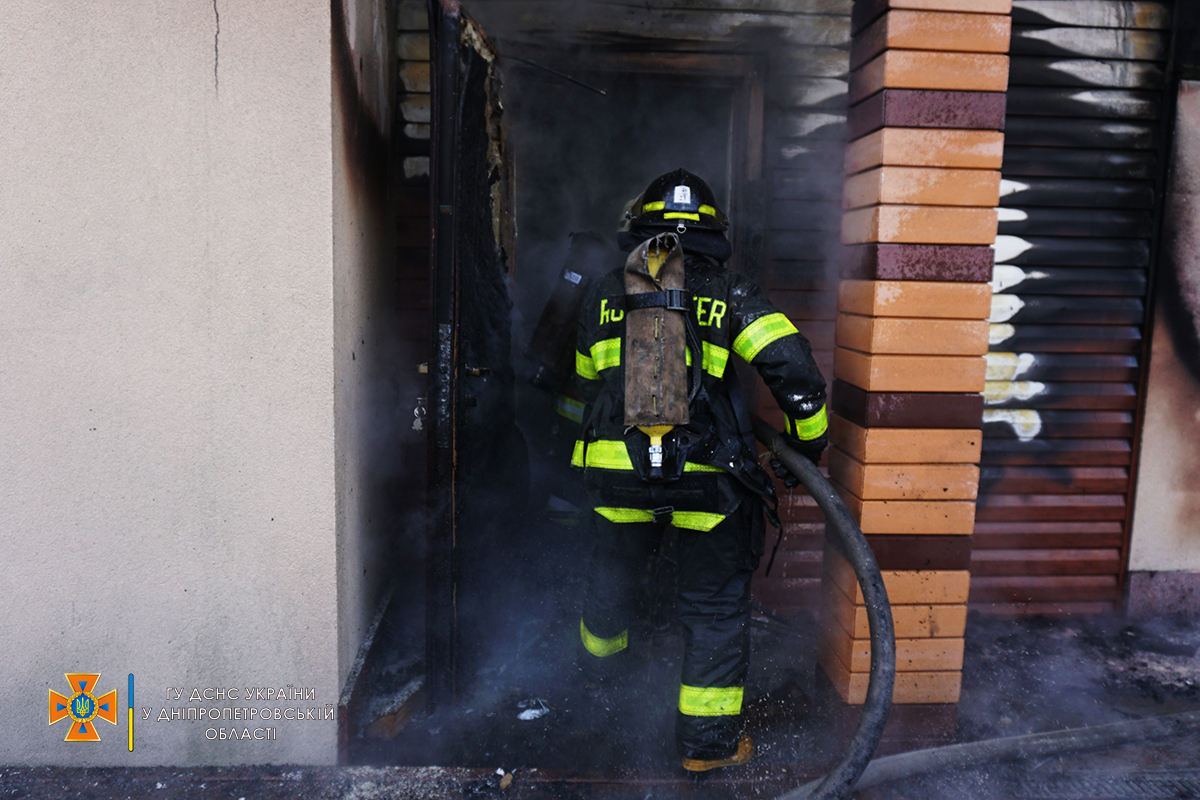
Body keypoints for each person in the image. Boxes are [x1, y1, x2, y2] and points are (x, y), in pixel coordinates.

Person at [571, 168, 828, 771]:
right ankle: (706, 749)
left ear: (641, 228)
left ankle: (596, 685)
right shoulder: (730, 292)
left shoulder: (604, 292)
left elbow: (586, 390)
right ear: (714, 232)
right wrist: (807, 448)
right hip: (707, 481)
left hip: (616, 478)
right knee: (712, 607)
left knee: (610, 583)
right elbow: (795, 372)